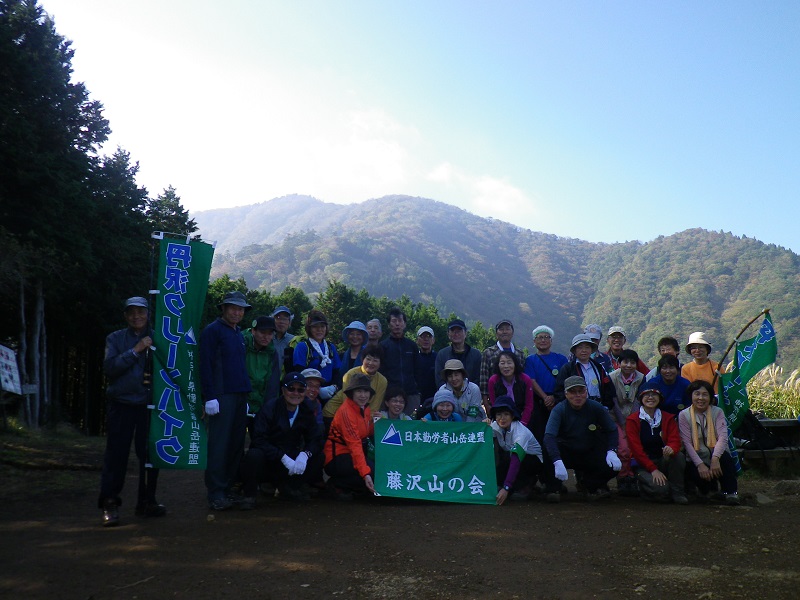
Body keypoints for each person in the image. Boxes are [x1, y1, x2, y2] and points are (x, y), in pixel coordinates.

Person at [98, 296, 164, 527]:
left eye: (141, 312)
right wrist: (135, 350)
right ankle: (110, 503)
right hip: (121, 404)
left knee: (150, 455)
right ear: (126, 316)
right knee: (116, 456)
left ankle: (147, 501)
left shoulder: (159, 338)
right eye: (131, 312)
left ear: (148, 314)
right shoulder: (115, 338)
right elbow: (110, 369)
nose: (137, 316)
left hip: (149, 406)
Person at [239, 372, 324, 508]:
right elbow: (258, 439)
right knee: (253, 455)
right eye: (291, 388)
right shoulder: (270, 408)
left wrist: (305, 454)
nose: (295, 393)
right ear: (283, 390)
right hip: (269, 459)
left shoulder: (306, 410)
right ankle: (250, 495)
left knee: (318, 456)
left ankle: (289, 488)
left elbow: (316, 439)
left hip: (290, 460)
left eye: (300, 389)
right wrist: (281, 456)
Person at [200, 291, 252, 510]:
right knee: (219, 445)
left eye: (241, 309)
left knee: (235, 445)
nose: (237, 312)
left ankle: (228, 488)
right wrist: (209, 397)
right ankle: (216, 492)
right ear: (223, 308)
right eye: (233, 307)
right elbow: (205, 365)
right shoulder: (213, 331)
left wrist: (245, 395)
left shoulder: (238, 333)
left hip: (239, 395)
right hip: (221, 396)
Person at [544, 376, 621, 502]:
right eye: (573, 392)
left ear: (586, 392)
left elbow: (612, 430)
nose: (577, 395)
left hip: (589, 450)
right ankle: (553, 487)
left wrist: (612, 451)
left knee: (613, 465)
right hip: (566, 451)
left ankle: (590, 485)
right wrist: (556, 460)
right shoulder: (559, 409)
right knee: (547, 449)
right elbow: (549, 436)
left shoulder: (596, 407)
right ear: (566, 394)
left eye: (581, 391)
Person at [678, 380, 739, 505]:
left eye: (705, 394)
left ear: (710, 397)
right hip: (696, 456)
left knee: (726, 460)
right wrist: (700, 465)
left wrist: (715, 458)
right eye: (697, 394)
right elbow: (687, 443)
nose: (701, 398)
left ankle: (731, 492)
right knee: (701, 484)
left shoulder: (717, 412)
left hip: (716, 453)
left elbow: (722, 437)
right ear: (691, 396)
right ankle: (707, 489)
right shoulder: (684, 415)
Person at [625, 388, 687, 504]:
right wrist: (653, 469)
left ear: (660, 399)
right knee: (661, 490)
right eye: (646, 395)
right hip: (643, 464)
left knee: (678, 456)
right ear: (641, 399)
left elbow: (675, 440)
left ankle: (678, 492)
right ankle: (645, 487)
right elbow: (636, 450)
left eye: (654, 395)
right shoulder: (632, 420)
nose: (650, 398)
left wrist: (671, 449)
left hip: (663, 460)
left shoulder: (668, 418)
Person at [324, 374, 377, 497]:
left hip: (352, 454)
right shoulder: (346, 412)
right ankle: (336, 484)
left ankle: (353, 485)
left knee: (374, 471)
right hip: (337, 456)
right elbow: (354, 444)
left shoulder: (365, 408)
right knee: (371, 473)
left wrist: (376, 423)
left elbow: (366, 432)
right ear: (351, 393)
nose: (363, 395)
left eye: (366, 391)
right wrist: (365, 473)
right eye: (359, 391)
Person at [490, 395, 545, 506]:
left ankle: (527, 483)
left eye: (506, 414)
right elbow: (482, 438)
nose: (502, 418)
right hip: (510, 457)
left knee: (511, 457)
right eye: (499, 414)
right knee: (501, 455)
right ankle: (503, 483)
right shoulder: (495, 426)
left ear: (512, 415)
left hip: (532, 461)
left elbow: (516, 459)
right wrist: (483, 424)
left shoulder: (521, 432)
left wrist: (506, 488)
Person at [608, 349, 646, 496]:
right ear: (619, 363)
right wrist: (623, 423)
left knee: (633, 448)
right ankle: (623, 477)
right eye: (625, 362)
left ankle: (632, 477)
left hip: (634, 419)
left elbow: (639, 400)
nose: (628, 365)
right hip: (616, 419)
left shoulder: (641, 378)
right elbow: (614, 401)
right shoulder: (612, 377)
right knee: (623, 448)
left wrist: (631, 421)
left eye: (632, 362)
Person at [322, 343, 387, 429]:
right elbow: (347, 402)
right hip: (334, 413)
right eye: (368, 359)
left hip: (360, 417)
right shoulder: (351, 374)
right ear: (362, 359)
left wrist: (366, 420)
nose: (371, 363)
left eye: (375, 360)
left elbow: (374, 406)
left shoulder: (382, 380)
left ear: (380, 363)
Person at [292, 310, 342, 404]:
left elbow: (336, 371)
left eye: (322, 326)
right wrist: (317, 390)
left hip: (329, 394)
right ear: (309, 328)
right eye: (315, 327)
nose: (319, 330)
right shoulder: (302, 347)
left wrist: (334, 387)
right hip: (308, 395)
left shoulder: (331, 347)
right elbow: (299, 373)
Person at [553, 334, 615, 409]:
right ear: (575, 350)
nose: (584, 350)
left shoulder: (598, 367)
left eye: (587, 347)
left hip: (598, 408)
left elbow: (607, 388)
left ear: (591, 350)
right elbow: (559, 391)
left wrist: (606, 406)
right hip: (575, 410)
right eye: (580, 347)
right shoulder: (568, 369)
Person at [243, 315, 280, 440]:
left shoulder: (272, 352)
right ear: (253, 331)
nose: (266, 337)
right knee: (234, 442)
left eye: (270, 334)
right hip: (241, 404)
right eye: (262, 332)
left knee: (259, 441)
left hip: (261, 406)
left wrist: (268, 408)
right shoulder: (243, 345)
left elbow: (273, 383)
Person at [379, 307, 419, 415]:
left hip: (410, 393)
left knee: (410, 425)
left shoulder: (412, 346)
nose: (397, 324)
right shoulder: (383, 346)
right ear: (389, 325)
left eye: (400, 321)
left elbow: (417, 369)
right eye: (394, 321)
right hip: (389, 394)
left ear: (404, 324)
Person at [479, 319, 525, 403]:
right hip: (496, 399)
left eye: (507, 329)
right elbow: (483, 380)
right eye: (501, 329)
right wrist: (486, 404)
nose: (504, 332)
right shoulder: (488, 352)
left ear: (512, 332)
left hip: (518, 400)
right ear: (496, 333)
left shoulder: (519, 353)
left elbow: (522, 378)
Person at [524, 325, 568, 410]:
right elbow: (531, 381)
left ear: (551, 340)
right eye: (540, 337)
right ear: (534, 341)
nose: (543, 340)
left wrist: (554, 397)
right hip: (537, 402)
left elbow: (565, 380)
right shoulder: (530, 360)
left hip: (559, 400)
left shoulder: (561, 358)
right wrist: (545, 398)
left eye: (546, 337)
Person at [487, 350, 534, 429]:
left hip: (523, 419)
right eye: (502, 363)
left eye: (509, 362)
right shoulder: (493, 381)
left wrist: (522, 424)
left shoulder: (525, 379)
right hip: (502, 420)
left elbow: (529, 405)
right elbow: (494, 404)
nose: (506, 366)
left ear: (515, 364)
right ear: (498, 365)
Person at [434, 318, 482, 388]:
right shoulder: (442, 354)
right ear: (448, 334)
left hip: (471, 395)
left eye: (459, 331)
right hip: (448, 395)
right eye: (453, 331)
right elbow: (440, 380)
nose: (456, 334)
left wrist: (466, 392)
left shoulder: (476, 354)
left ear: (466, 333)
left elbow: (479, 378)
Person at [415, 326, 438, 404]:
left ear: (433, 340)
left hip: (435, 398)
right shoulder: (413, 358)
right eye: (422, 336)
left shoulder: (438, 358)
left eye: (429, 336)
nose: (426, 339)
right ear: (417, 340)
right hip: (417, 398)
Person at [270, 305, 295, 375]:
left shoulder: (293, 340)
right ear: (272, 320)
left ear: (289, 323)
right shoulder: (266, 338)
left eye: (285, 319)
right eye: (278, 318)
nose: (281, 321)